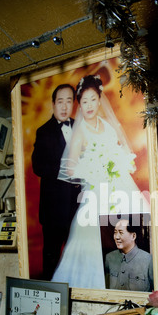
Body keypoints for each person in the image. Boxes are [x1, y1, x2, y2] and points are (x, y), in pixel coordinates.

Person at [51, 75, 150, 289]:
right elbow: (70, 168)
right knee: (92, 238)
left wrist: (119, 162)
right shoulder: (80, 131)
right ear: (80, 103)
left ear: (99, 99)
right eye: (84, 101)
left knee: (135, 224)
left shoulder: (106, 125)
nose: (89, 106)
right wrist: (94, 169)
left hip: (117, 184)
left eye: (93, 100)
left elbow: (120, 150)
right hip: (96, 189)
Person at [31, 84, 81, 280]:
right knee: (51, 259)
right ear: (53, 104)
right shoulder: (44, 132)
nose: (64, 106)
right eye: (60, 101)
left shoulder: (80, 127)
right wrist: (65, 171)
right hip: (53, 210)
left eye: (69, 101)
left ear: (73, 104)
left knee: (76, 256)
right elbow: (38, 167)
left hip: (77, 207)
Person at [105, 218, 154, 291]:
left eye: (121, 232)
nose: (116, 237)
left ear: (133, 236)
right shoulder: (109, 257)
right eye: (115, 232)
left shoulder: (148, 260)